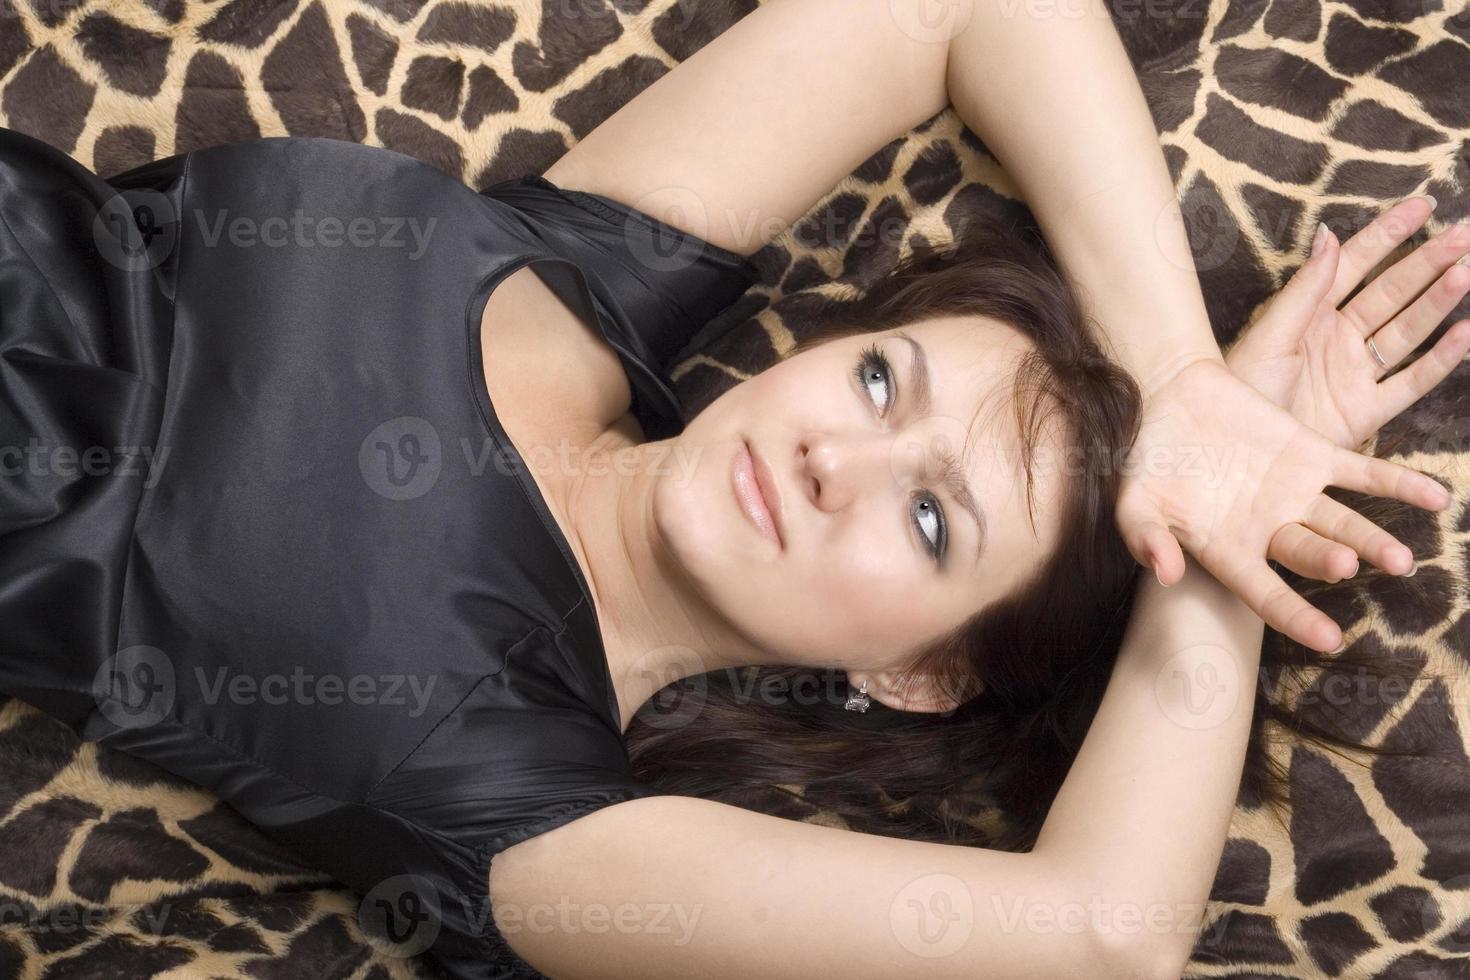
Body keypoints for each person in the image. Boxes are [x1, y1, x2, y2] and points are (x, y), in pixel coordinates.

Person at [0, 0, 1465, 978]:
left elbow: (1105, 937)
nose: (843, 452)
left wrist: (1206, 539)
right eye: (881, 380)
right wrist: (1183, 382)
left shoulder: (521, 803)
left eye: (932, 517)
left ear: (921, 677)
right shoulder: (583, 271)